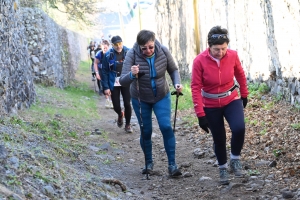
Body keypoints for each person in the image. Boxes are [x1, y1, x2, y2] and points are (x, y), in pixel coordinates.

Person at [119, 30, 183, 177]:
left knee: (166, 126)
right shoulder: (131, 55)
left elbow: (173, 70)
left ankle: (172, 165)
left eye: (151, 47)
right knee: (146, 130)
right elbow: (122, 81)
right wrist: (131, 74)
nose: (148, 51)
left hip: (161, 95)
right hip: (140, 98)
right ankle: (148, 163)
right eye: (144, 48)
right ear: (139, 46)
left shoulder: (163, 51)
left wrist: (177, 84)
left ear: (155, 43)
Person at [191, 26, 249, 185]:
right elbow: (195, 87)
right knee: (219, 137)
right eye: (217, 49)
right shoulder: (199, 61)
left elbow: (240, 74)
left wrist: (244, 94)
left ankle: (235, 159)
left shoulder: (233, 55)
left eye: (224, 48)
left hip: (231, 98)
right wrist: (200, 114)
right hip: (210, 103)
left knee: (239, 128)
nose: (221, 52)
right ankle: (222, 168)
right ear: (209, 46)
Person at [102, 36, 133, 133]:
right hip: (114, 82)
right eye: (116, 45)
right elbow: (104, 72)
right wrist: (106, 87)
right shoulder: (108, 55)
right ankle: (120, 114)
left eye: (120, 44)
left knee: (127, 103)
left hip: (126, 80)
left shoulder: (129, 52)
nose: (118, 46)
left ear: (122, 43)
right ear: (112, 45)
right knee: (116, 105)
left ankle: (128, 124)